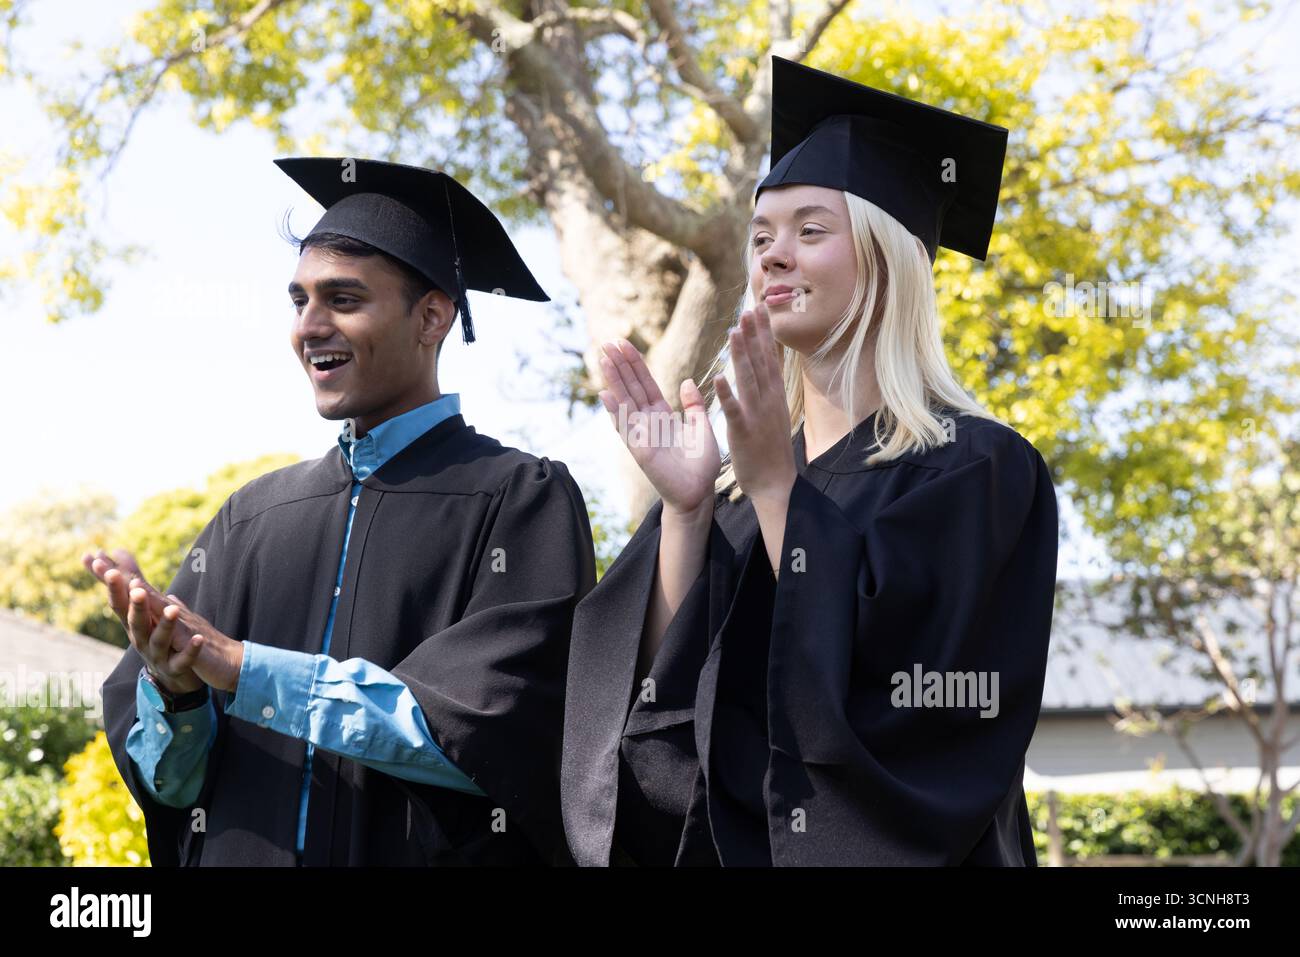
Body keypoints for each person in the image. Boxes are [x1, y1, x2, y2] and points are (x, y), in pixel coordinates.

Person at [561, 57, 1059, 866]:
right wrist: (687, 514)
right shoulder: (732, 481)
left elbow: (921, 721)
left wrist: (776, 491)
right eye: (762, 238)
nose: (773, 257)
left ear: (887, 256)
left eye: (810, 230)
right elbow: (660, 702)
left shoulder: (977, 467)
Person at [90, 157, 596, 866]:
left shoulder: (519, 500)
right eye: (298, 300)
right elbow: (173, 793)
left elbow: (492, 736)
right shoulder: (252, 518)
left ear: (431, 316)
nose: (309, 326)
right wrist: (179, 694)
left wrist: (243, 669)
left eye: (343, 300)